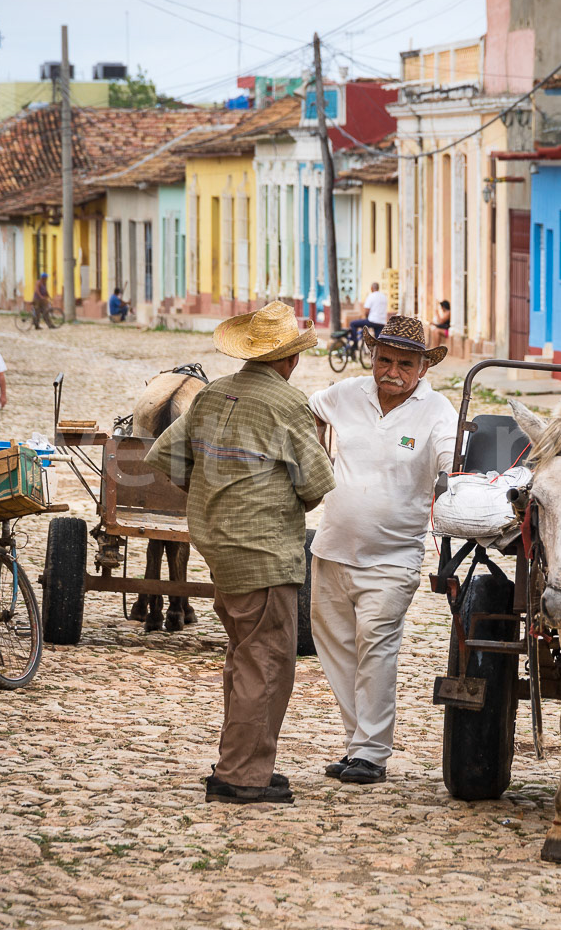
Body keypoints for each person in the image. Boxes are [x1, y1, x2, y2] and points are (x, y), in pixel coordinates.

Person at [146, 301, 335, 805]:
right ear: (291, 359)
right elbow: (316, 485)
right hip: (265, 553)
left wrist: (212, 490)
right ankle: (241, 777)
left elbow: (165, 455)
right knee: (267, 664)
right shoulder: (288, 404)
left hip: (220, 548)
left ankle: (241, 761)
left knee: (244, 660)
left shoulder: (212, 394)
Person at [309, 315, 457, 784]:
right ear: (373, 357)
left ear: (422, 369)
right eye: (384, 360)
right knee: (337, 652)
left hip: (393, 558)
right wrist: (314, 452)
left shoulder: (436, 411)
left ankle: (372, 754)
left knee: (376, 648)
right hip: (331, 547)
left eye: (404, 364)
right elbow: (309, 408)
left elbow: (452, 458)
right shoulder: (346, 393)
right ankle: (358, 745)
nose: (392, 371)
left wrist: (455, 479)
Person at [349, 282, 388, 349]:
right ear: (378, 288)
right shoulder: (384, 297)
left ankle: (355, 344)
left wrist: (366, 317)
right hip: (381, 322)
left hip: (372, 321)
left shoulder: (371, 296)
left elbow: (367, 311)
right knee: (378, 341)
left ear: (371, 288)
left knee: (353, 324)